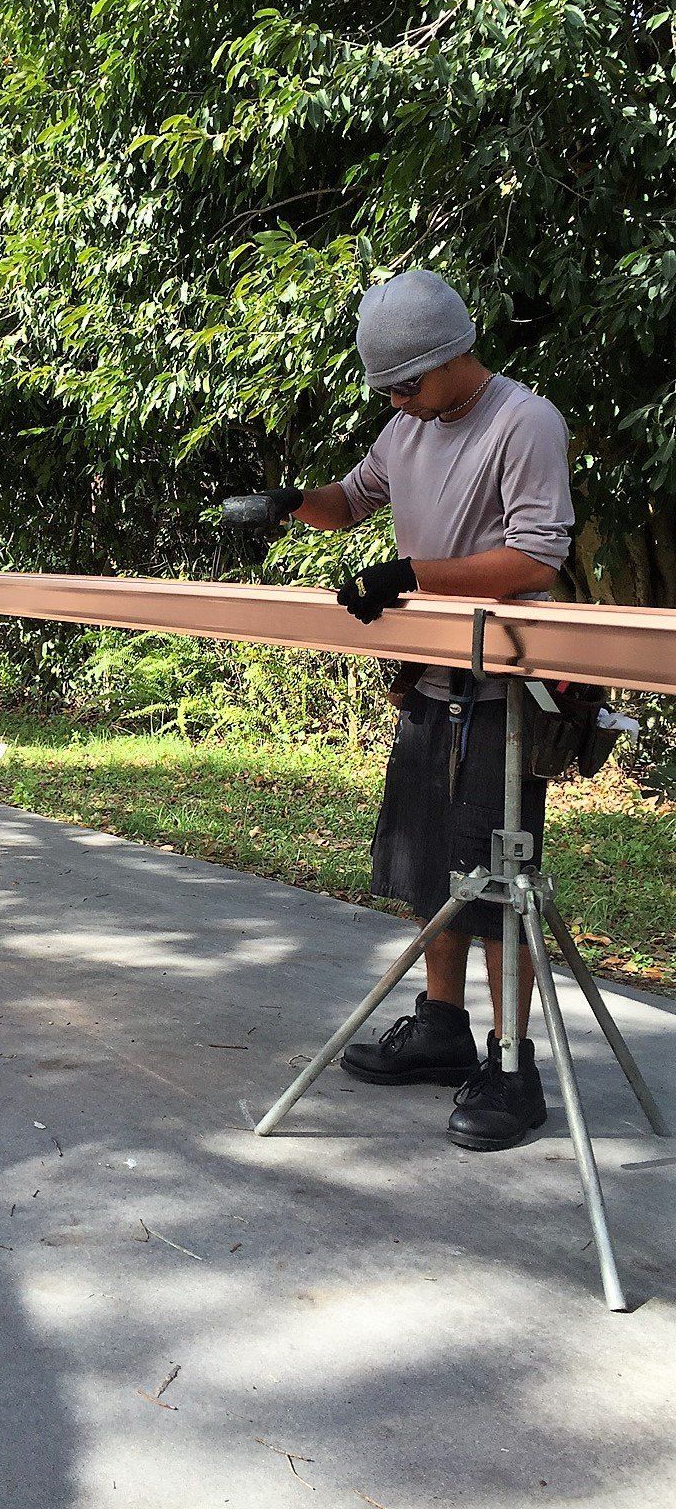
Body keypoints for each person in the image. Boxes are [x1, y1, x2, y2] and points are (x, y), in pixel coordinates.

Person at [259, 269, 575, 1150]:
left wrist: (408, 575)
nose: (397, 400)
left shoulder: (524, 421)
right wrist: (293, 504)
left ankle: (513, 1067)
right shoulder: (406, 428)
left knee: (497, 882)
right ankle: (442, 1027)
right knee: (429, 865)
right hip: (429, 674)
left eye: (407, 382)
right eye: (387, 389)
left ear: (452, 356)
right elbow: (350, 502)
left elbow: (535, 558)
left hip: (505, 687)